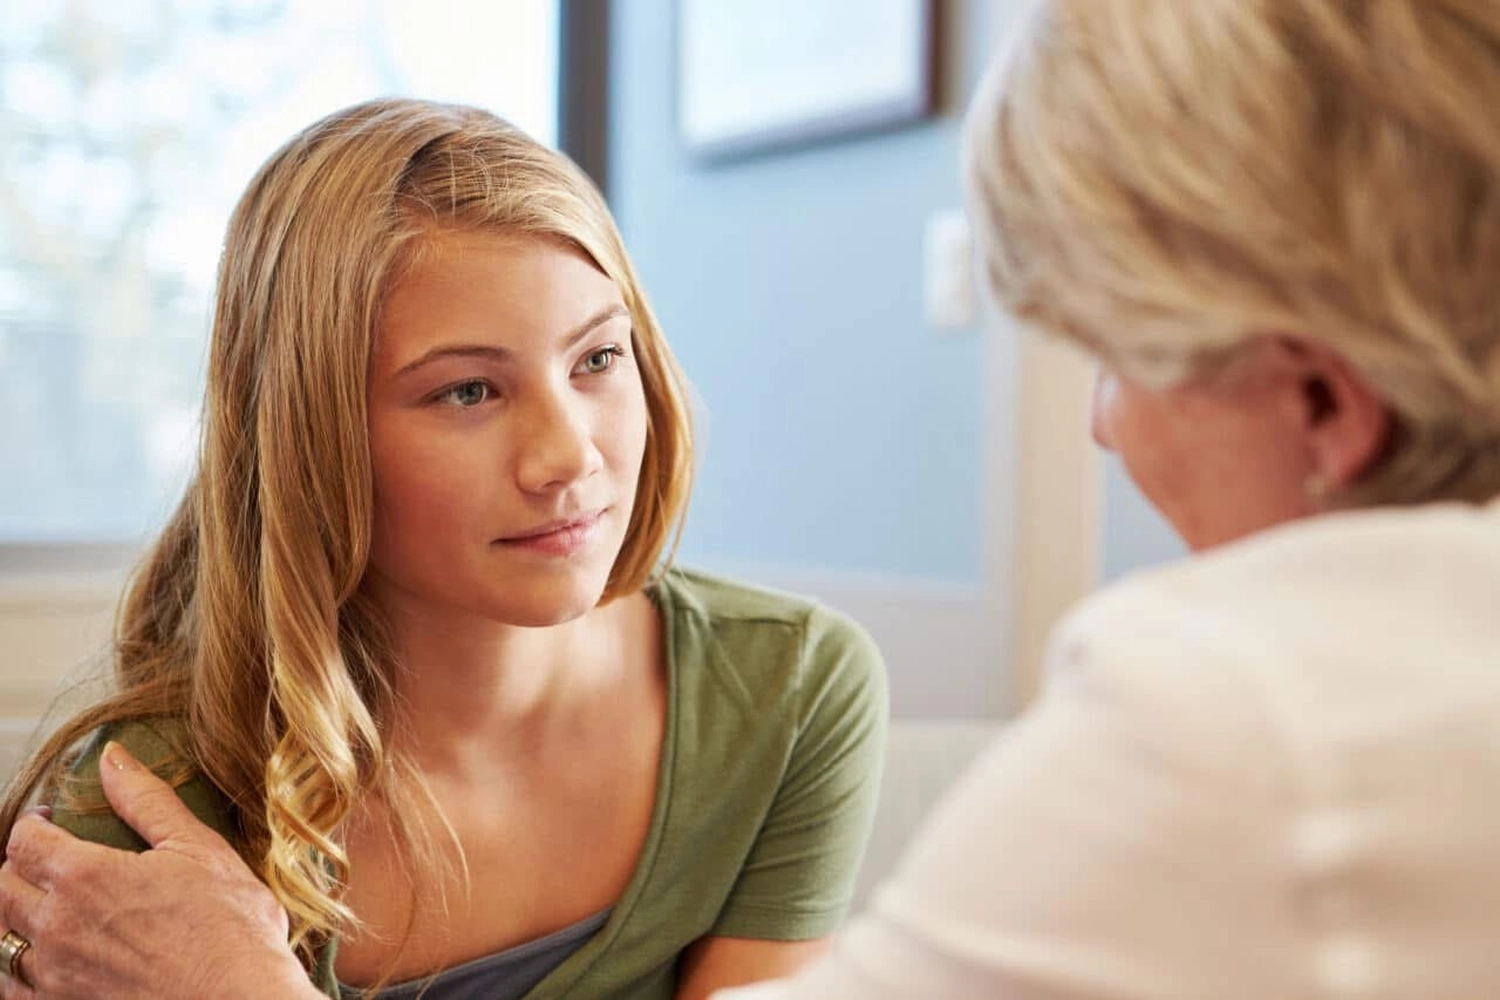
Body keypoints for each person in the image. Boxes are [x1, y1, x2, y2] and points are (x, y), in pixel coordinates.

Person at [0, 98, 886, 1000]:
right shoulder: (147, 812)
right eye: (467, 391)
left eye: (596, 360)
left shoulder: (789, 691)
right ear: (313, 435)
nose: (568, 455)